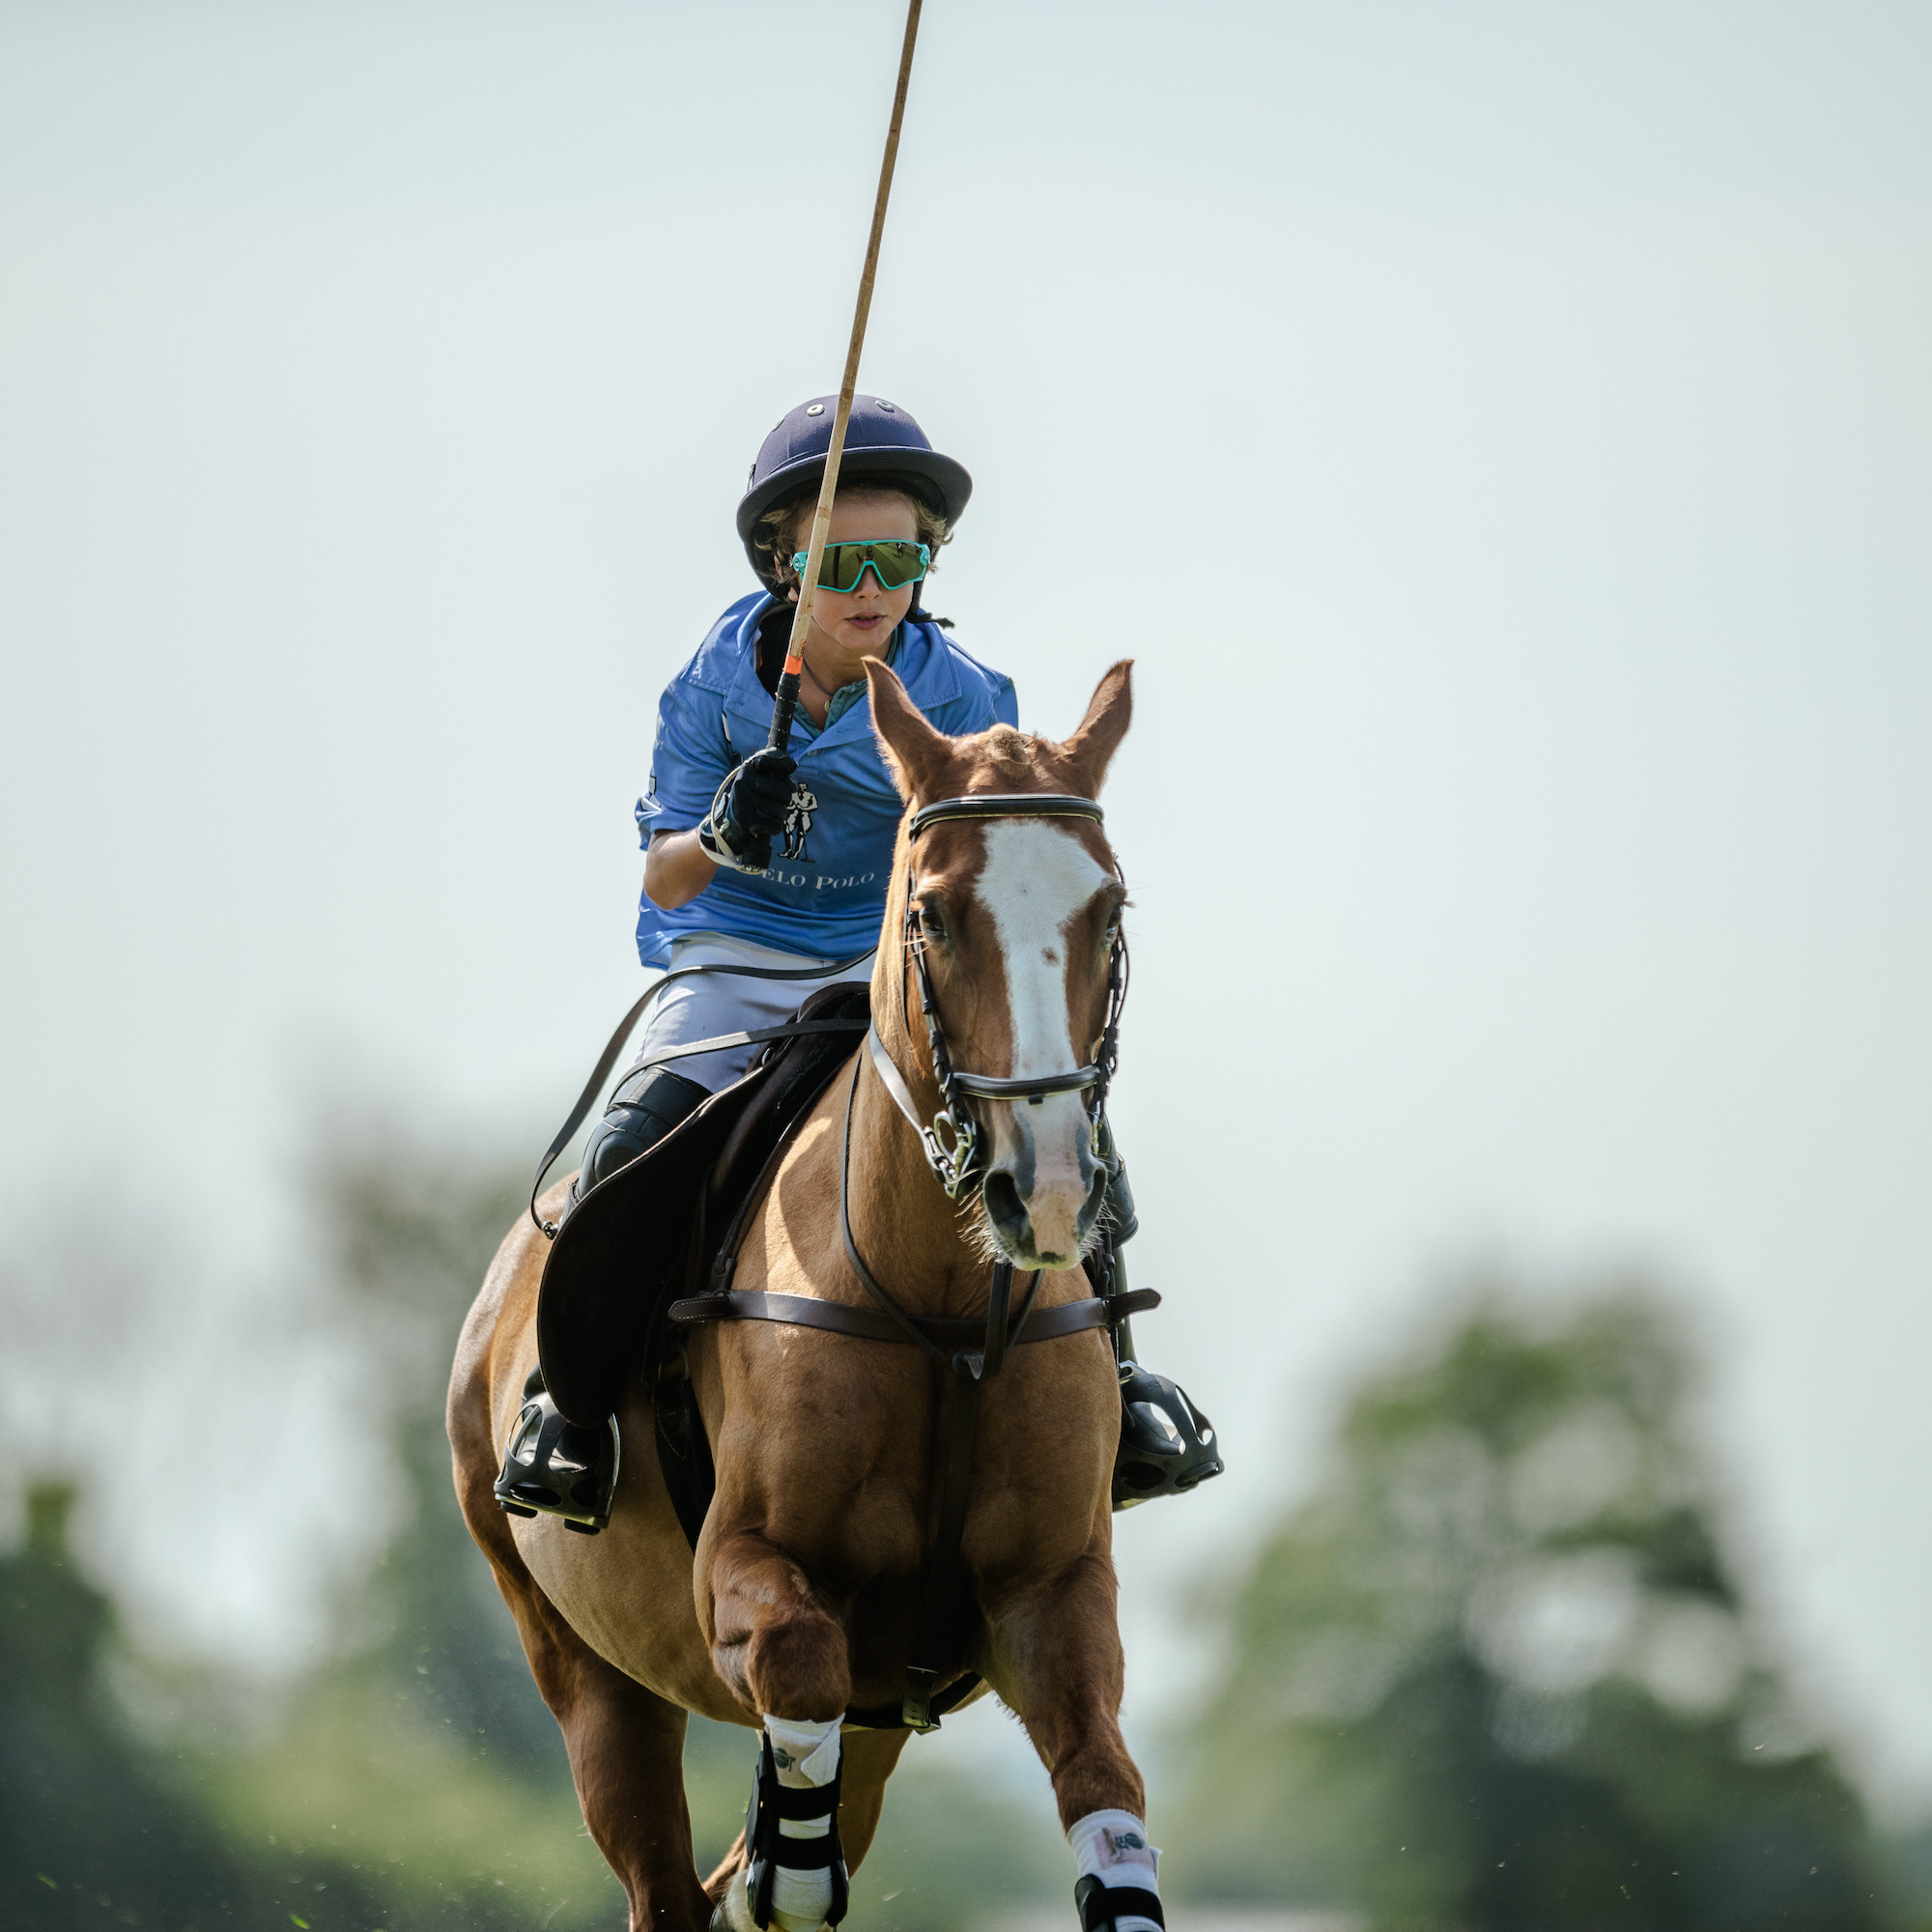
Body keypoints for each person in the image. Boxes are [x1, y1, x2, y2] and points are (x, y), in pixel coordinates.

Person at [573, 394, 1220, 1506]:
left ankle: (1119, 1377)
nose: (871, 587)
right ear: (783, 562)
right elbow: (661, 875)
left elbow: (995, 880)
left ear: (929, 559)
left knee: (1061, 1125)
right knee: (621, 1151)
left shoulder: (967, 695)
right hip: (731, 960)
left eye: (898, 556)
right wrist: (723, 833)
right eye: (841, 561)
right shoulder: (713, 684)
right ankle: (571, 1408)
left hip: (881, 969)